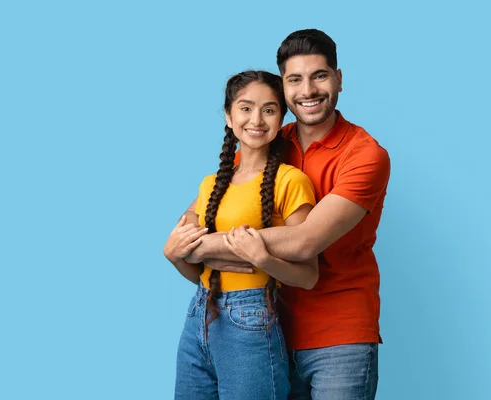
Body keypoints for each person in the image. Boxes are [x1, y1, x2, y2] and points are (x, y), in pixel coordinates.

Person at [180, 29, 391, 399]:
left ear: (339, 79)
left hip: (339, 336)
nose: (308, 90)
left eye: (320, 76)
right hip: (266, 328)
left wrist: (200, 246)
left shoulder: (365, 154)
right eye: (295, 80)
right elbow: (200, 215)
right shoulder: (271, 140)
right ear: (284, 87)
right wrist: (187, 242)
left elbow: (305, 240)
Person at [164, 70, 319, 400]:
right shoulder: (209, 185)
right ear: (228, 115)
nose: (257, 120)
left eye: (269, 109)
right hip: (199, 313)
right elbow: (190, 262)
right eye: (246, 108)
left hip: (252, 318)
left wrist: (261, 258)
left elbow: (308, 275)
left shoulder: (291, 181)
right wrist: (180, 255)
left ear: (281, 118)